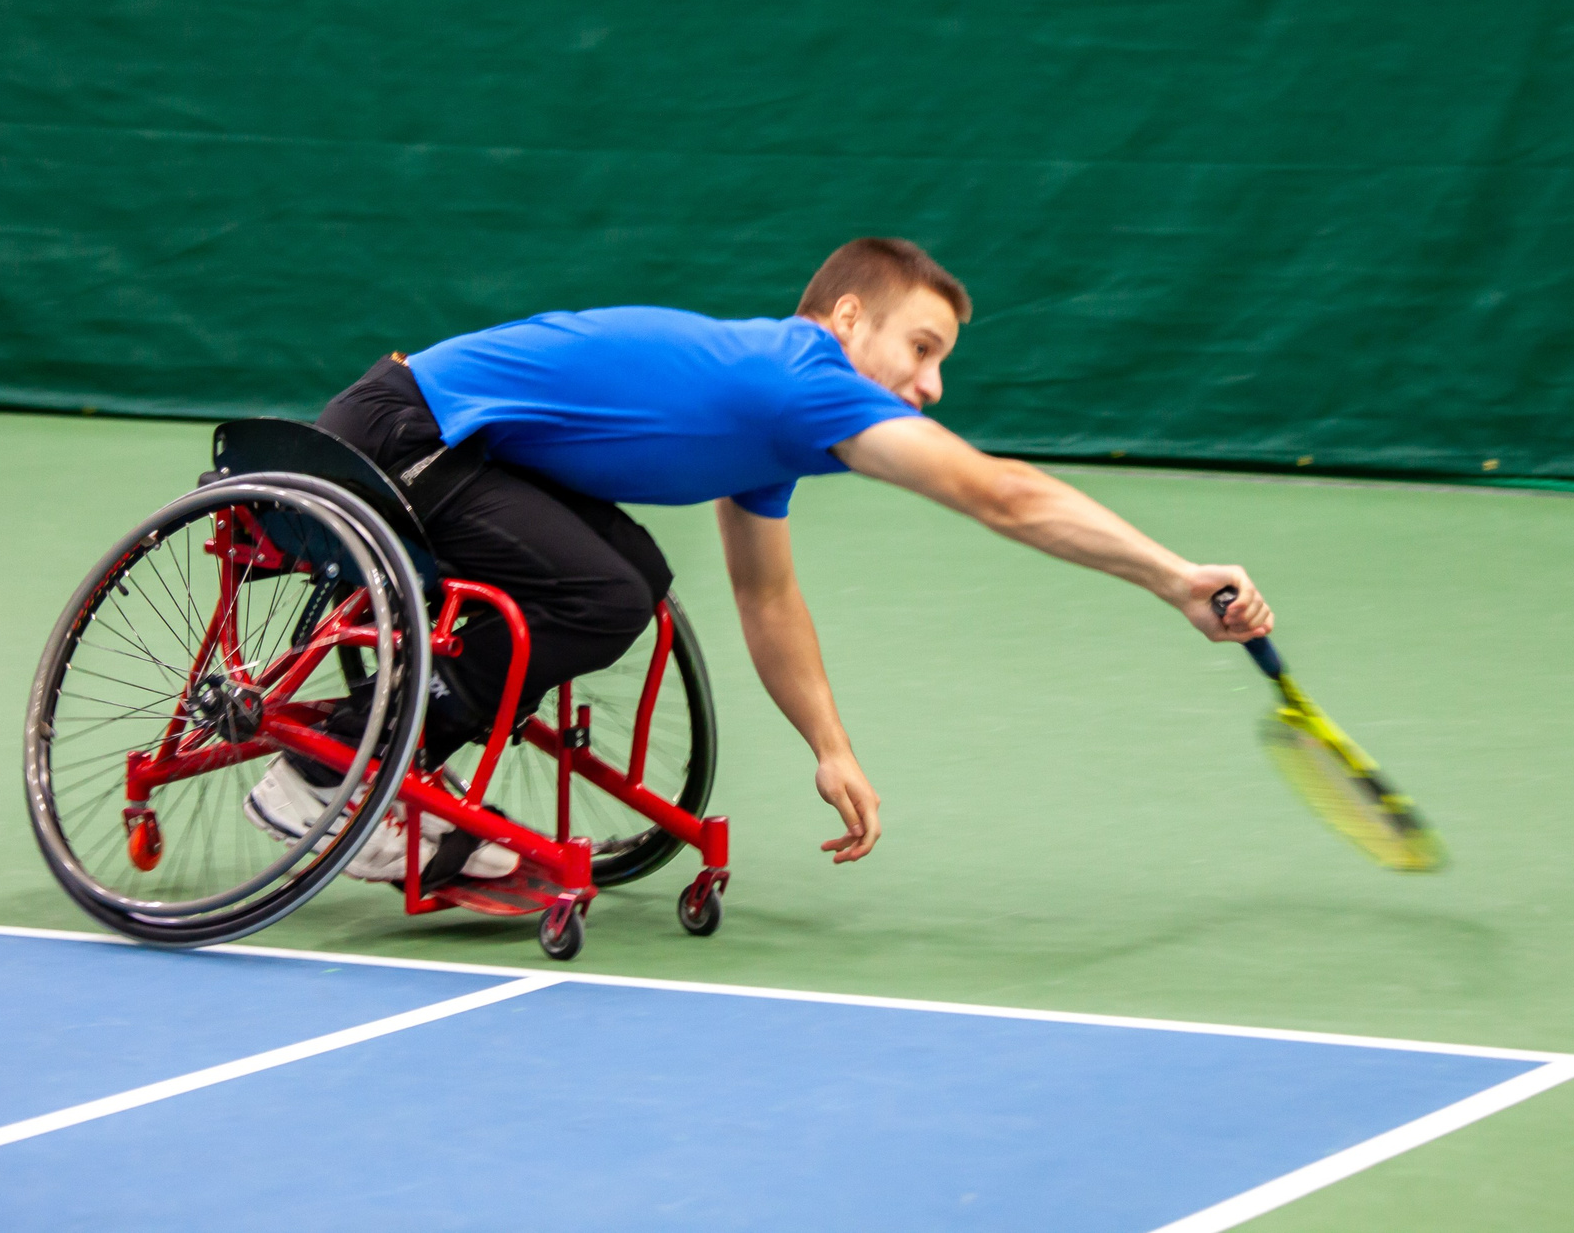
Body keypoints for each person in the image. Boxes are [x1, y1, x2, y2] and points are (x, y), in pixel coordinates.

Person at [243, 237, 1275, 889]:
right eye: (921, 349)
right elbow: (999, 493)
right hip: (403, 436)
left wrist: (829, 746)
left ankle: (387, 751)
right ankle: (323, 771)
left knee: (633, 579)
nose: (932, 386)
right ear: (846, 319)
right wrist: (1172, 577)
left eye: (943, 364)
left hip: (448, 444)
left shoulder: (775, 419)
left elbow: (766, 596)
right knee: (600, 590)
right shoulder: (800, 383)